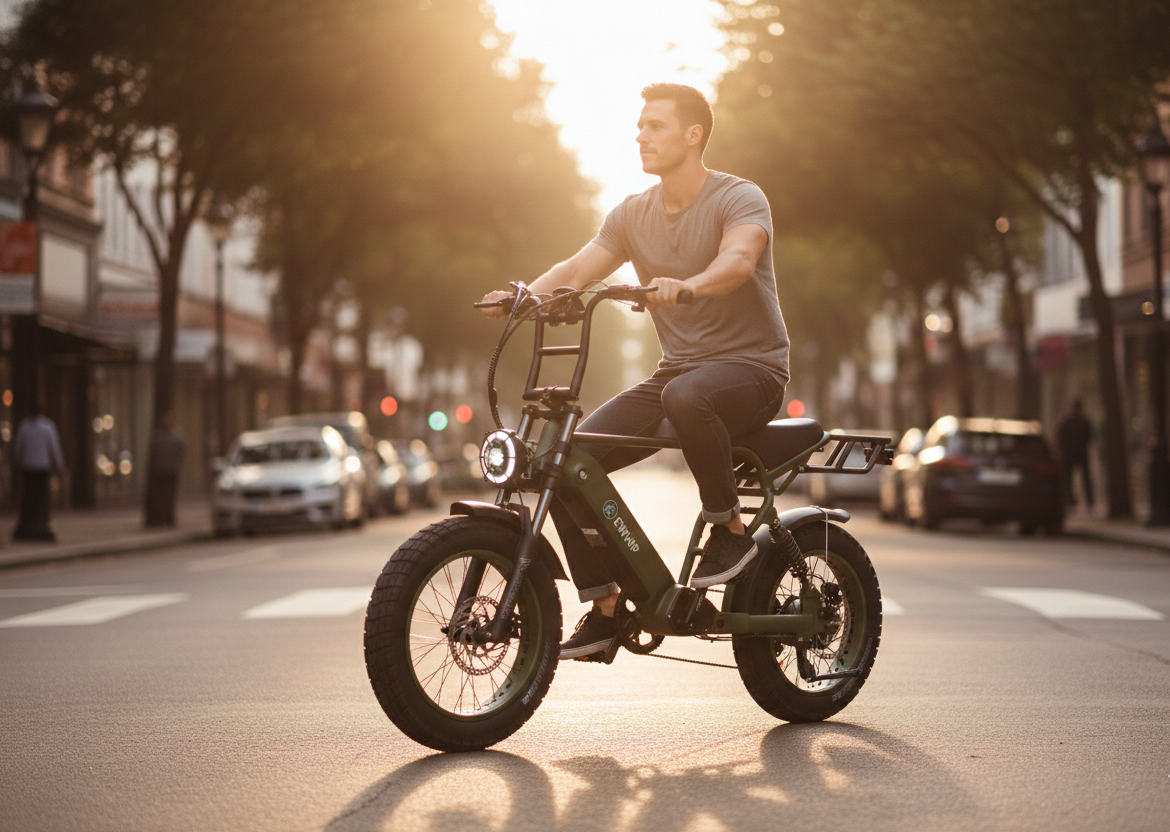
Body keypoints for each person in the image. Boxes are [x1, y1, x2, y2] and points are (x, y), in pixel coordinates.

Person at [480, 83, 789, 661]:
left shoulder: (738, 197)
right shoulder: (633, 213)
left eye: (656, 126)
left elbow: (740, 260)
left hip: (752, 372)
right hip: (678, 376)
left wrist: (690, 286)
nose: (641, 135)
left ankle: (729, 531)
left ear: (693, 135)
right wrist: (525, 298)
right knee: (570, 457)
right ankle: (605, 609)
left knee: (689, 397)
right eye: (640, 126)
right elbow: (578, 268)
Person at [12, 403, 66, 542]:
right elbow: (54, 448)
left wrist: (16, 464)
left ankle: (29, 526)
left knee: (30, 498)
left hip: (30, 467)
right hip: (41, 467)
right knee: (41, 499)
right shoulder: (47, 426)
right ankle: (41, 525)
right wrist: (60, 466)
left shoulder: (25, 426)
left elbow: (18, 448)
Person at [146, 411, 185, 527]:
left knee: (168, 497)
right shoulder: (159, 438)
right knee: (163, 497)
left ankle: (169, 518)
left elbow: (181, 452)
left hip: (169, 471)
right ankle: (164, 518)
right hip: (162, 471)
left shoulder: (174, 438)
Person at [1057, 398, 1094, 511]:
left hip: (1075, 454)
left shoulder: (1077, 422)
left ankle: (1086, 501)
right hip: (1074, 454)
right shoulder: (1075, 422)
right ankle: (1074, 500)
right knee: (1072, 479)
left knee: (1077, 479)